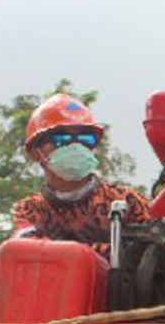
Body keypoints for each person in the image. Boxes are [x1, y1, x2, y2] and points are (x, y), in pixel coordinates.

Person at [13, 93, 151, 255]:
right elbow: (27, 255)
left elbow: (155, 255)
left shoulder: (125, 201)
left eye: (86, 138)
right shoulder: (32, 209)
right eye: (62, 139)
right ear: (36, 153)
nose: (76, 145)